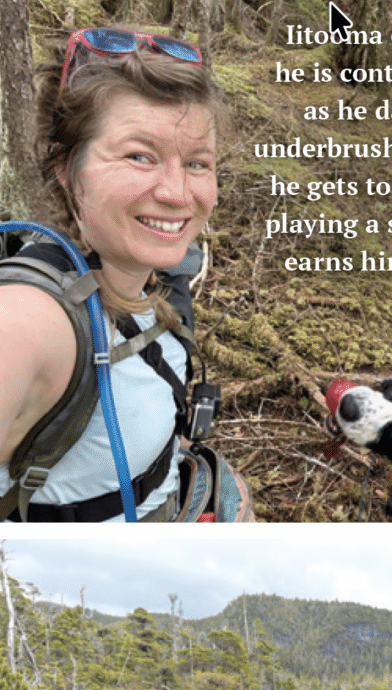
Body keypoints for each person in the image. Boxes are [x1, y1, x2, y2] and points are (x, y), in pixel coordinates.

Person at [0, 27, 248, 521]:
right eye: (140, 156)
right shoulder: (29, 322)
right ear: (65, 168)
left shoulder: (153, 278)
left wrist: (218, 485)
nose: (178, 194)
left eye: (197, 163)